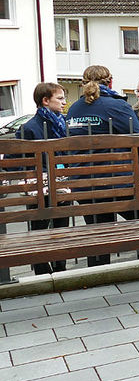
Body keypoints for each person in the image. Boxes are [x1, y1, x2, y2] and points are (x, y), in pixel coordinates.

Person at [66, 65, 139, 265]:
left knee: (99, 231)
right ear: (110, 81)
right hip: (118, 183)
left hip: (83, 186)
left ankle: (98, 269)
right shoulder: (116, 105)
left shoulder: (73, 109)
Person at [17, 82, 70, 274]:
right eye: (60, 98)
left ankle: (60, 267)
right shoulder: (30, 128)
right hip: (40, 185)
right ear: (45, 101)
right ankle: (42, 269)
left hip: (61, 183)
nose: (64, 102)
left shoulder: (61, 122)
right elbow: (23, 163)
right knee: (39, 229)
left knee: (61, 226)